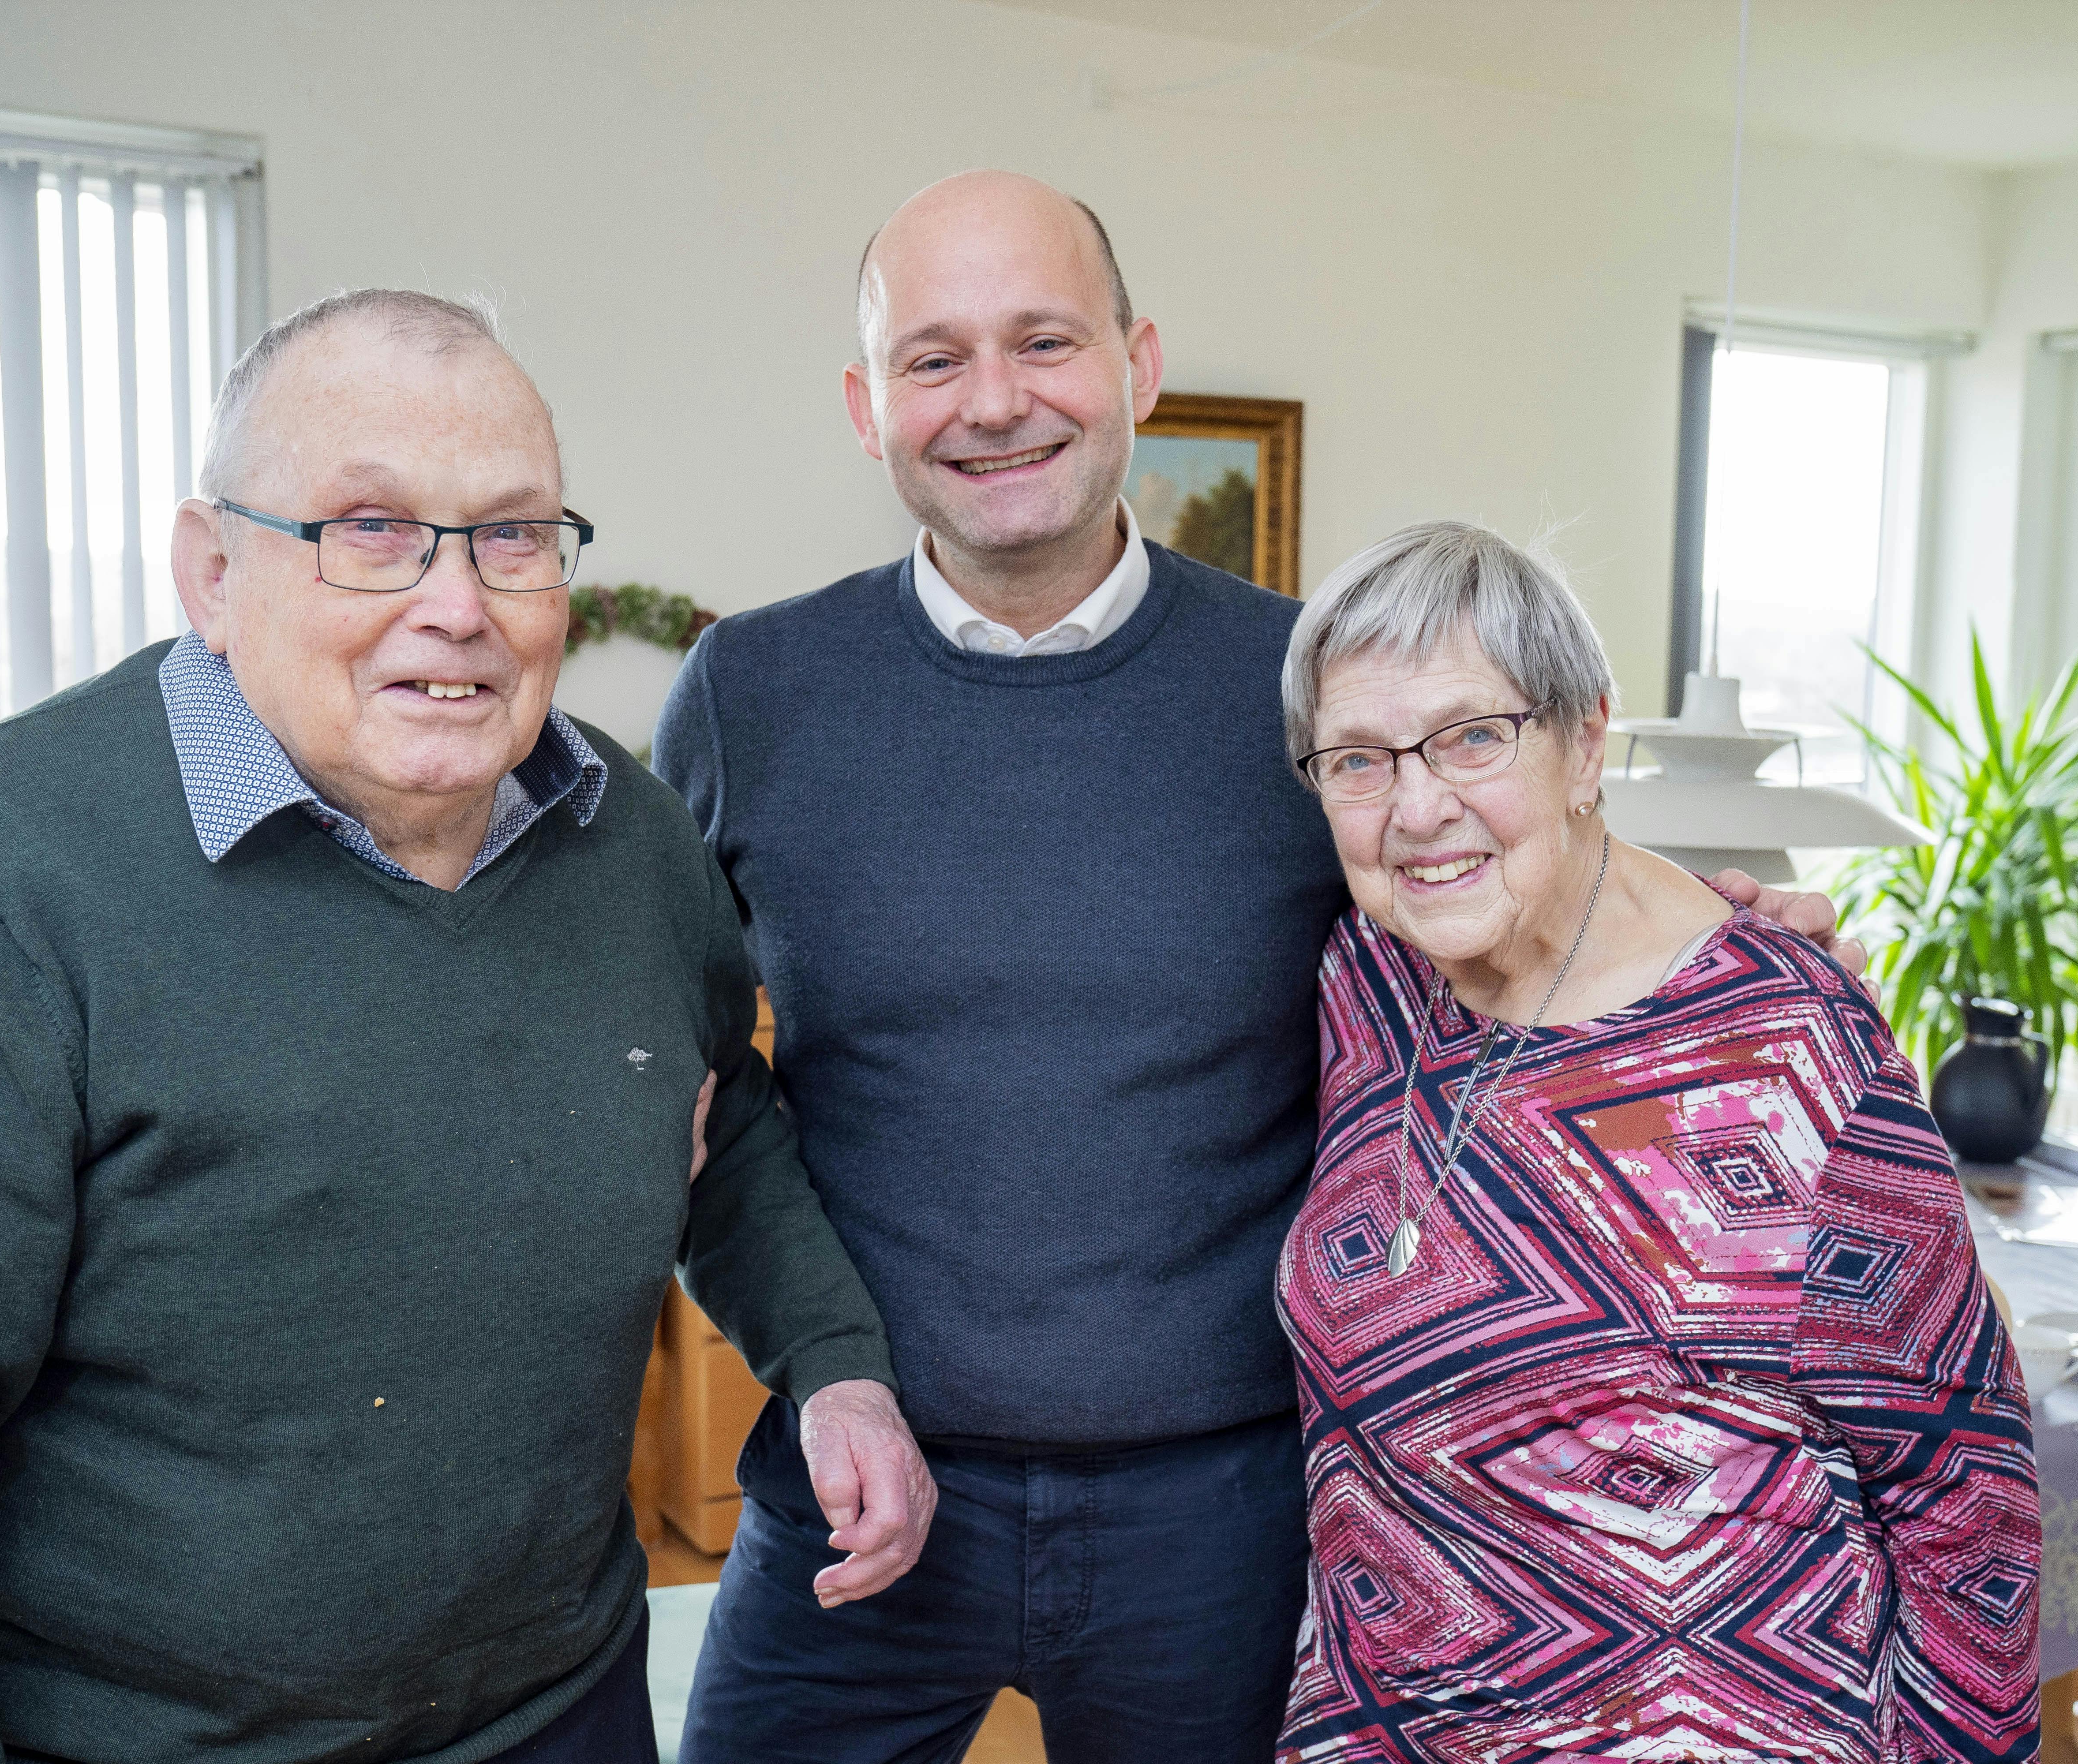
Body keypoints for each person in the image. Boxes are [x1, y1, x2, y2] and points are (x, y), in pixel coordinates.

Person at [654, 169, 1866, 1763]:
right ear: (865, 404)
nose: (996, 402)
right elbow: (676, 1080)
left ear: (1139, 365)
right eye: (934, 358)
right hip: (858, 1481)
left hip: (1227, 1514)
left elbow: (1509, 896)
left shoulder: (1305, 687)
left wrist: (1717, 948)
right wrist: (823, 1372)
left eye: (1045, 341)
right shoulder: (752, 690)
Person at [0, 289, 932, 1764]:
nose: (458, 601)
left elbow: (711, 1121)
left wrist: (834, 1362)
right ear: (213, 571)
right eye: (369, 530)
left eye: (514, 533)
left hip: (567, 1714)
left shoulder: (631, 834)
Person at [1274, 520, 2040, 1764]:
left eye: (1475, 736)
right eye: (1359, 760)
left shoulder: (1794, 1044)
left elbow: (1966, 1497)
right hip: (1383, 1729)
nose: (1418, 807)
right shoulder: (1369, 983)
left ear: (1586, 740)